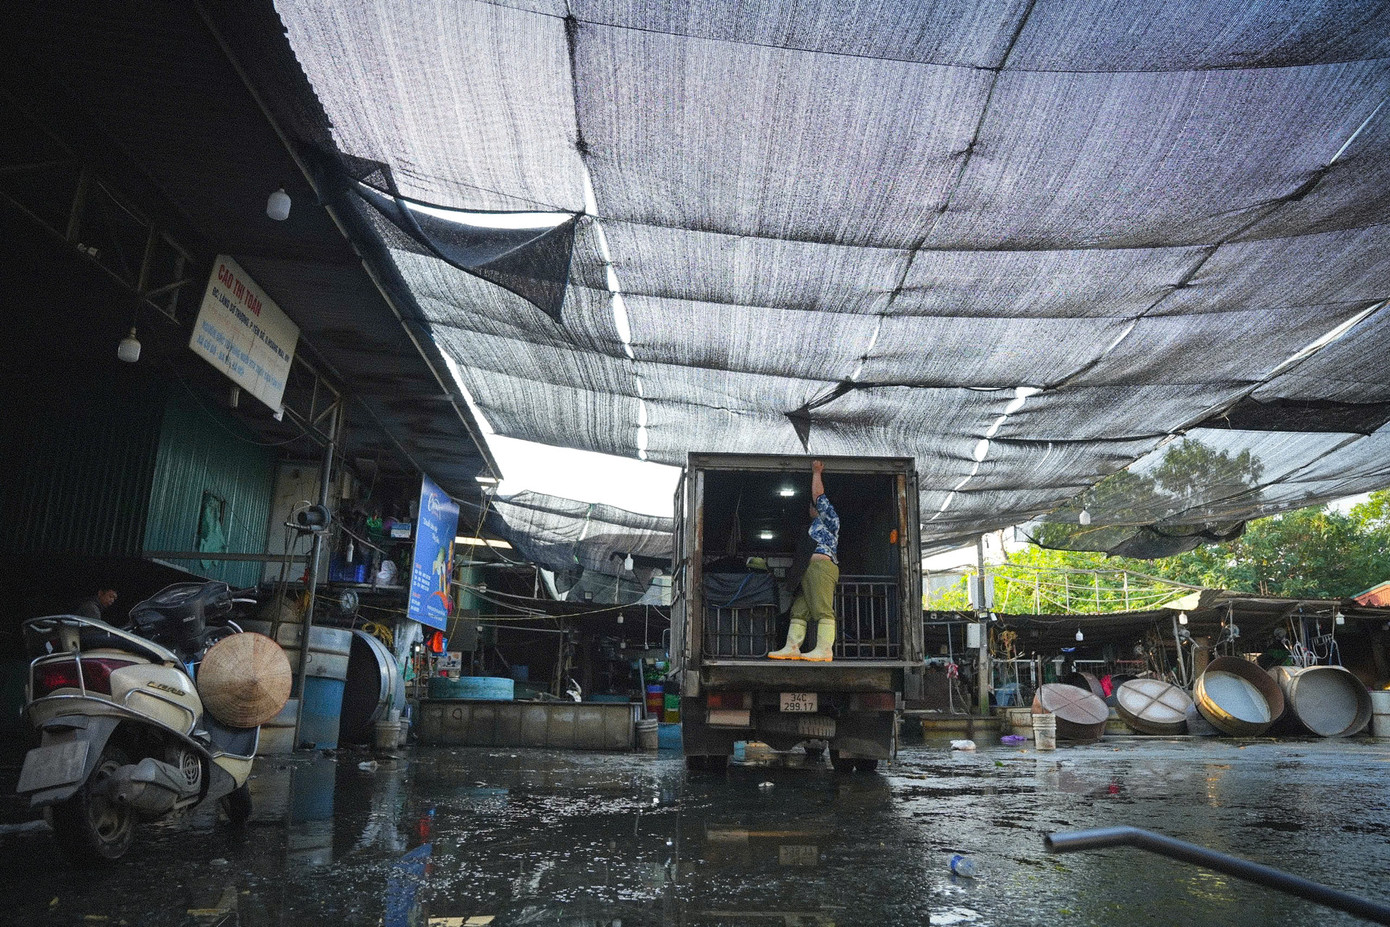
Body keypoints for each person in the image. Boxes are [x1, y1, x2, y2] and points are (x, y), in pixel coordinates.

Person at [769, 459, 840, 662]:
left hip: (820, 567)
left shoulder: (828, 517)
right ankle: (792, 647)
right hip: (808, 570)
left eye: (810, 506)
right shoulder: (812, 527)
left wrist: (816, 473)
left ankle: (825, 649)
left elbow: (818, 496)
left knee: (822, 609)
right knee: (799, 610)